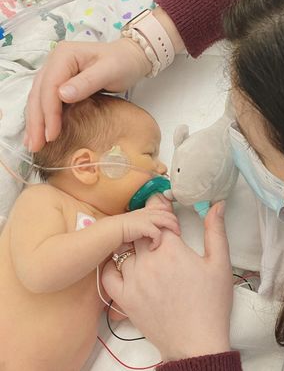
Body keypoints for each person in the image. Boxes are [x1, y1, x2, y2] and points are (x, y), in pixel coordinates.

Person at [25, 0, 284, 370]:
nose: (162, 165)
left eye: (254, 147)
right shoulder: (39, 200)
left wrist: (194, 350)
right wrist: (146, 44)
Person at [0, 94, 181, 371]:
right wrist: (118, 228)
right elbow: (38, 272)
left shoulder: (113, 237)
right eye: (149, 153)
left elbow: (116, 313)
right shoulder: (44, 201)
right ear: (86, 166)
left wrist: (141, 264)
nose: (162, 168)